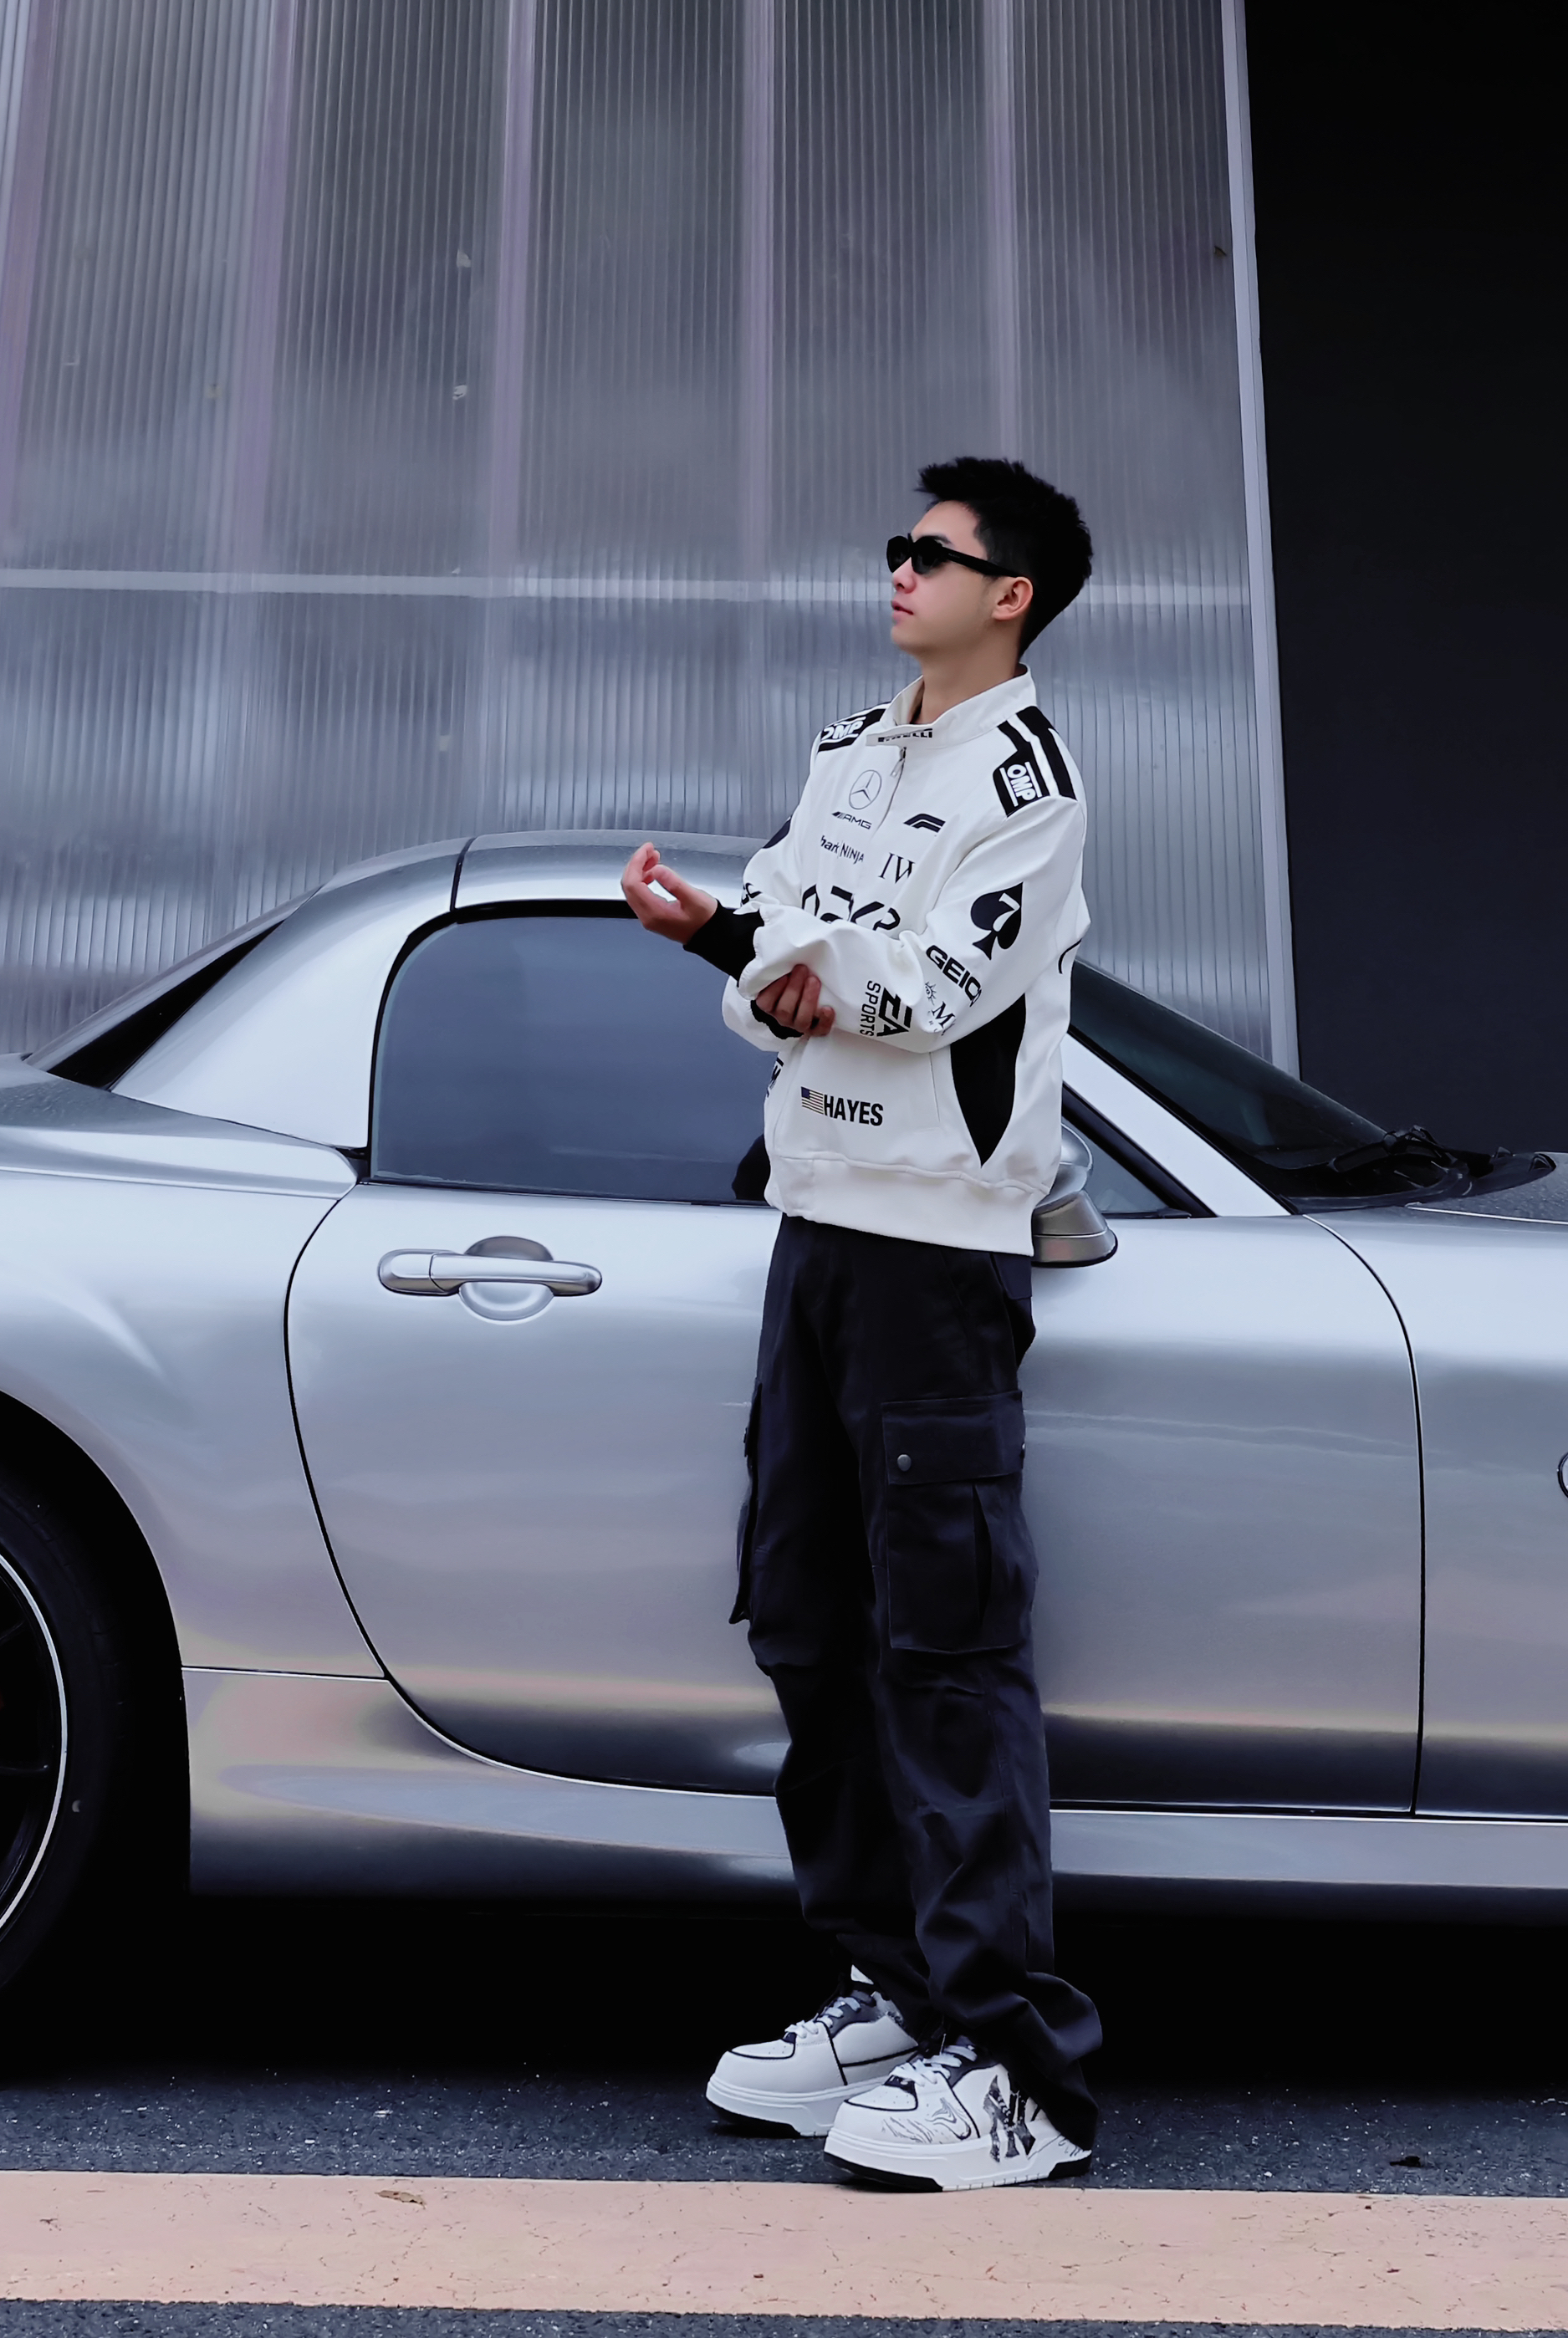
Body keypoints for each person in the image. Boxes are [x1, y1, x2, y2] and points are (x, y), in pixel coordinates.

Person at [621, 457, 1102, 2193]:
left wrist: (797, 963)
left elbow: (929, 989)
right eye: (897, 548)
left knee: (945, 1651)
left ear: (1010, 596)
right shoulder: (846, 751)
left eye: (933, 554)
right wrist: (725, 939)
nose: (898, 570)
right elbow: (779, 971)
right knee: (809, 1625)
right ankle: (896, 1996)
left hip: (935, 1247)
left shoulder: (1029, 787)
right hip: (814, 1221)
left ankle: (1018, 2067)